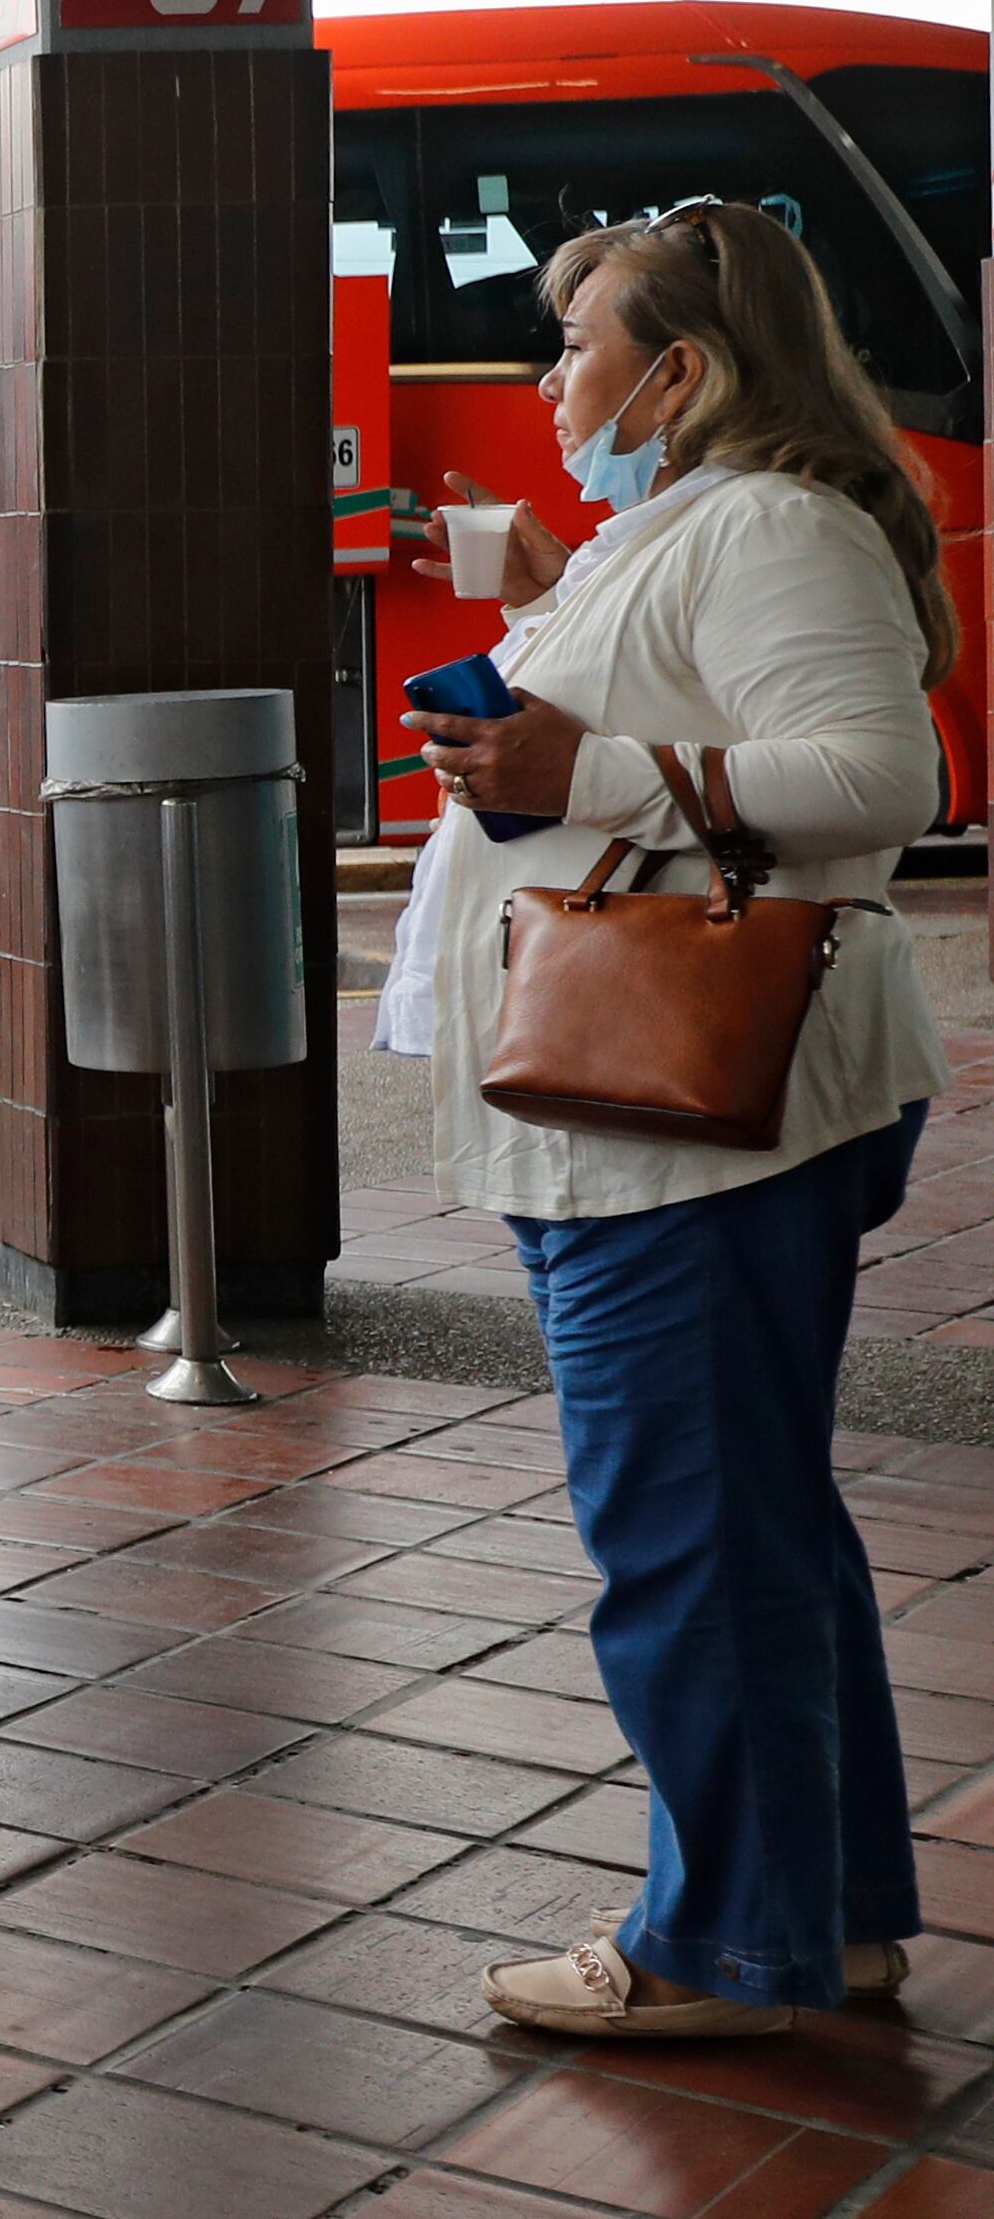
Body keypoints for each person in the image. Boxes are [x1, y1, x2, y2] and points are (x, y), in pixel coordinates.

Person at [393, 202, 951, 2039]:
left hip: (689, 1123)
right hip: (657, 1117)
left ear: (683, 371)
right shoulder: (702, 522)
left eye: (580, 344)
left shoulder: (773, 521)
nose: (555, 377)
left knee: (689, 1540)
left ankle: (722, 1945)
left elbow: (883, 774)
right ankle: (822, 1918)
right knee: (752, 1521)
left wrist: (592, 761)